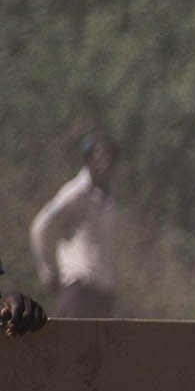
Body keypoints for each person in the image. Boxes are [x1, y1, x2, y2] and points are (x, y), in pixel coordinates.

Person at [28, 133, 116, 318]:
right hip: (78, 288)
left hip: (102, 290)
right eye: (98, 156)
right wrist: (48, 272)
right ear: (88, 158)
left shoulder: (107, 196)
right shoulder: (76, 192)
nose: (103, 162)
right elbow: (41, 226)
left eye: (107, 157)